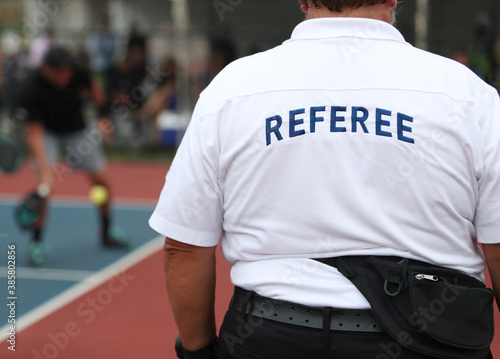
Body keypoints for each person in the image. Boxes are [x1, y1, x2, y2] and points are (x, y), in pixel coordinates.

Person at [149, 0, 500, 358]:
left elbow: (184, 246)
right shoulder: (469, 94)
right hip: (428, 337)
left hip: (269, 334)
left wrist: (199, 351)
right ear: (393, 0)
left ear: (303, 1)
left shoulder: (232, 88)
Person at [15, 46, 128, 267]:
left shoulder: (77, 70)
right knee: (44, 188)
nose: (66, 76)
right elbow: (35, 134)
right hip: (47, 133)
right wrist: (45, 170)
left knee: (101, 182)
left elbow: (96, 90)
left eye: (68, 71)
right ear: (47, 69)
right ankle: (36, 243)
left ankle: (107, 231)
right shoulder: (30, 88)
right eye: (60, 72)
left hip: (78, 130)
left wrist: (103, 117)